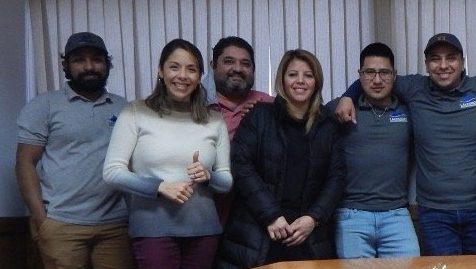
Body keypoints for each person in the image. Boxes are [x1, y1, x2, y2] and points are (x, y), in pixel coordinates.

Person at [334, 33, 476, 256]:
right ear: (426, 64)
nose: (443, 66)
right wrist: (347, 96)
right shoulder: (414, 88)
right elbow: (376, 77)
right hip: (434, 213)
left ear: (462, 62)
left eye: (451, 58)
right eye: (434, 59)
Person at [103, 39, 232, 269]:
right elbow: (112, 172)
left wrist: (208, 175)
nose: (182, 75)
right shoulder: (135, 112)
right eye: (174, 67)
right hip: (152, 231)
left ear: (200, 76)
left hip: (204, 231)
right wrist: (159, 187)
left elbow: (226, 181)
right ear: (160, 71)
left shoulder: (214, 120)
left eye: (191, 69)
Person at [214, 49, 344, 268]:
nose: (300, 81)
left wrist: (314, 218)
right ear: (282, 79)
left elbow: (337, 177)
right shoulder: (259, 115)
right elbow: (241, 165)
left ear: (316, 82)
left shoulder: (327, 124)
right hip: (257, 232)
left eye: (308, 75)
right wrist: (271, 216)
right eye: (293, 74)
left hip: (307, 235)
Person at [15, 31, 134, 269]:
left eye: (97, 59)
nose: (89, 66)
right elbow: (24, 164)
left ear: (108, 64)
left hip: (115, 226)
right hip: (61, 223)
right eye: (79, 59)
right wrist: (42, 219)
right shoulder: (44, 105)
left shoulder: (125, 108)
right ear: (66, 66)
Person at [327, 43, 419, 258]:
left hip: (397, 214)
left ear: (394, 75)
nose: (377, 80)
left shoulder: (410, 110)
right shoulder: (339, 109)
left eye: (384, 72)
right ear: (359, 75)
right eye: (369, 72)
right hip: (351, 215)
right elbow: (299, 114)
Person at [204, 36, 274, 225]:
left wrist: (260, 121)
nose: (237, 69)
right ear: (213, 65)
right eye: (228, 62)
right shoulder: (196, 105)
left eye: (245, 63)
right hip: (207, 214)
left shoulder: (267, 103)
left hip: (255, 219)